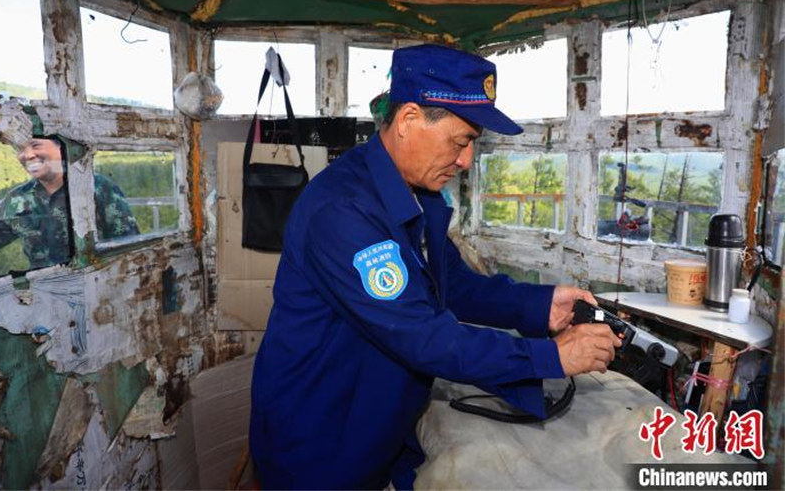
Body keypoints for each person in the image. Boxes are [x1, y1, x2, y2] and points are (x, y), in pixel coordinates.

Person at [250, 44, 621, 490]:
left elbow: (451, 284)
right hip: (320, 442)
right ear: (408, 121)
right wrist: (552, 357)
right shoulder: (342, 211)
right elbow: (421, 334)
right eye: (460, 141)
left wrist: (540, 306)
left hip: (376, 421)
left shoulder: (414, 194)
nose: (465, 161)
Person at [0, 135, 140, 270]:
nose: (27, 155)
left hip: (94, 288)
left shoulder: (96, 187)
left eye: (36, 145)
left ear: (61, 147)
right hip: (42, 293)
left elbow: (129, 245)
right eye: (19, 149)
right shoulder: (18, 198)